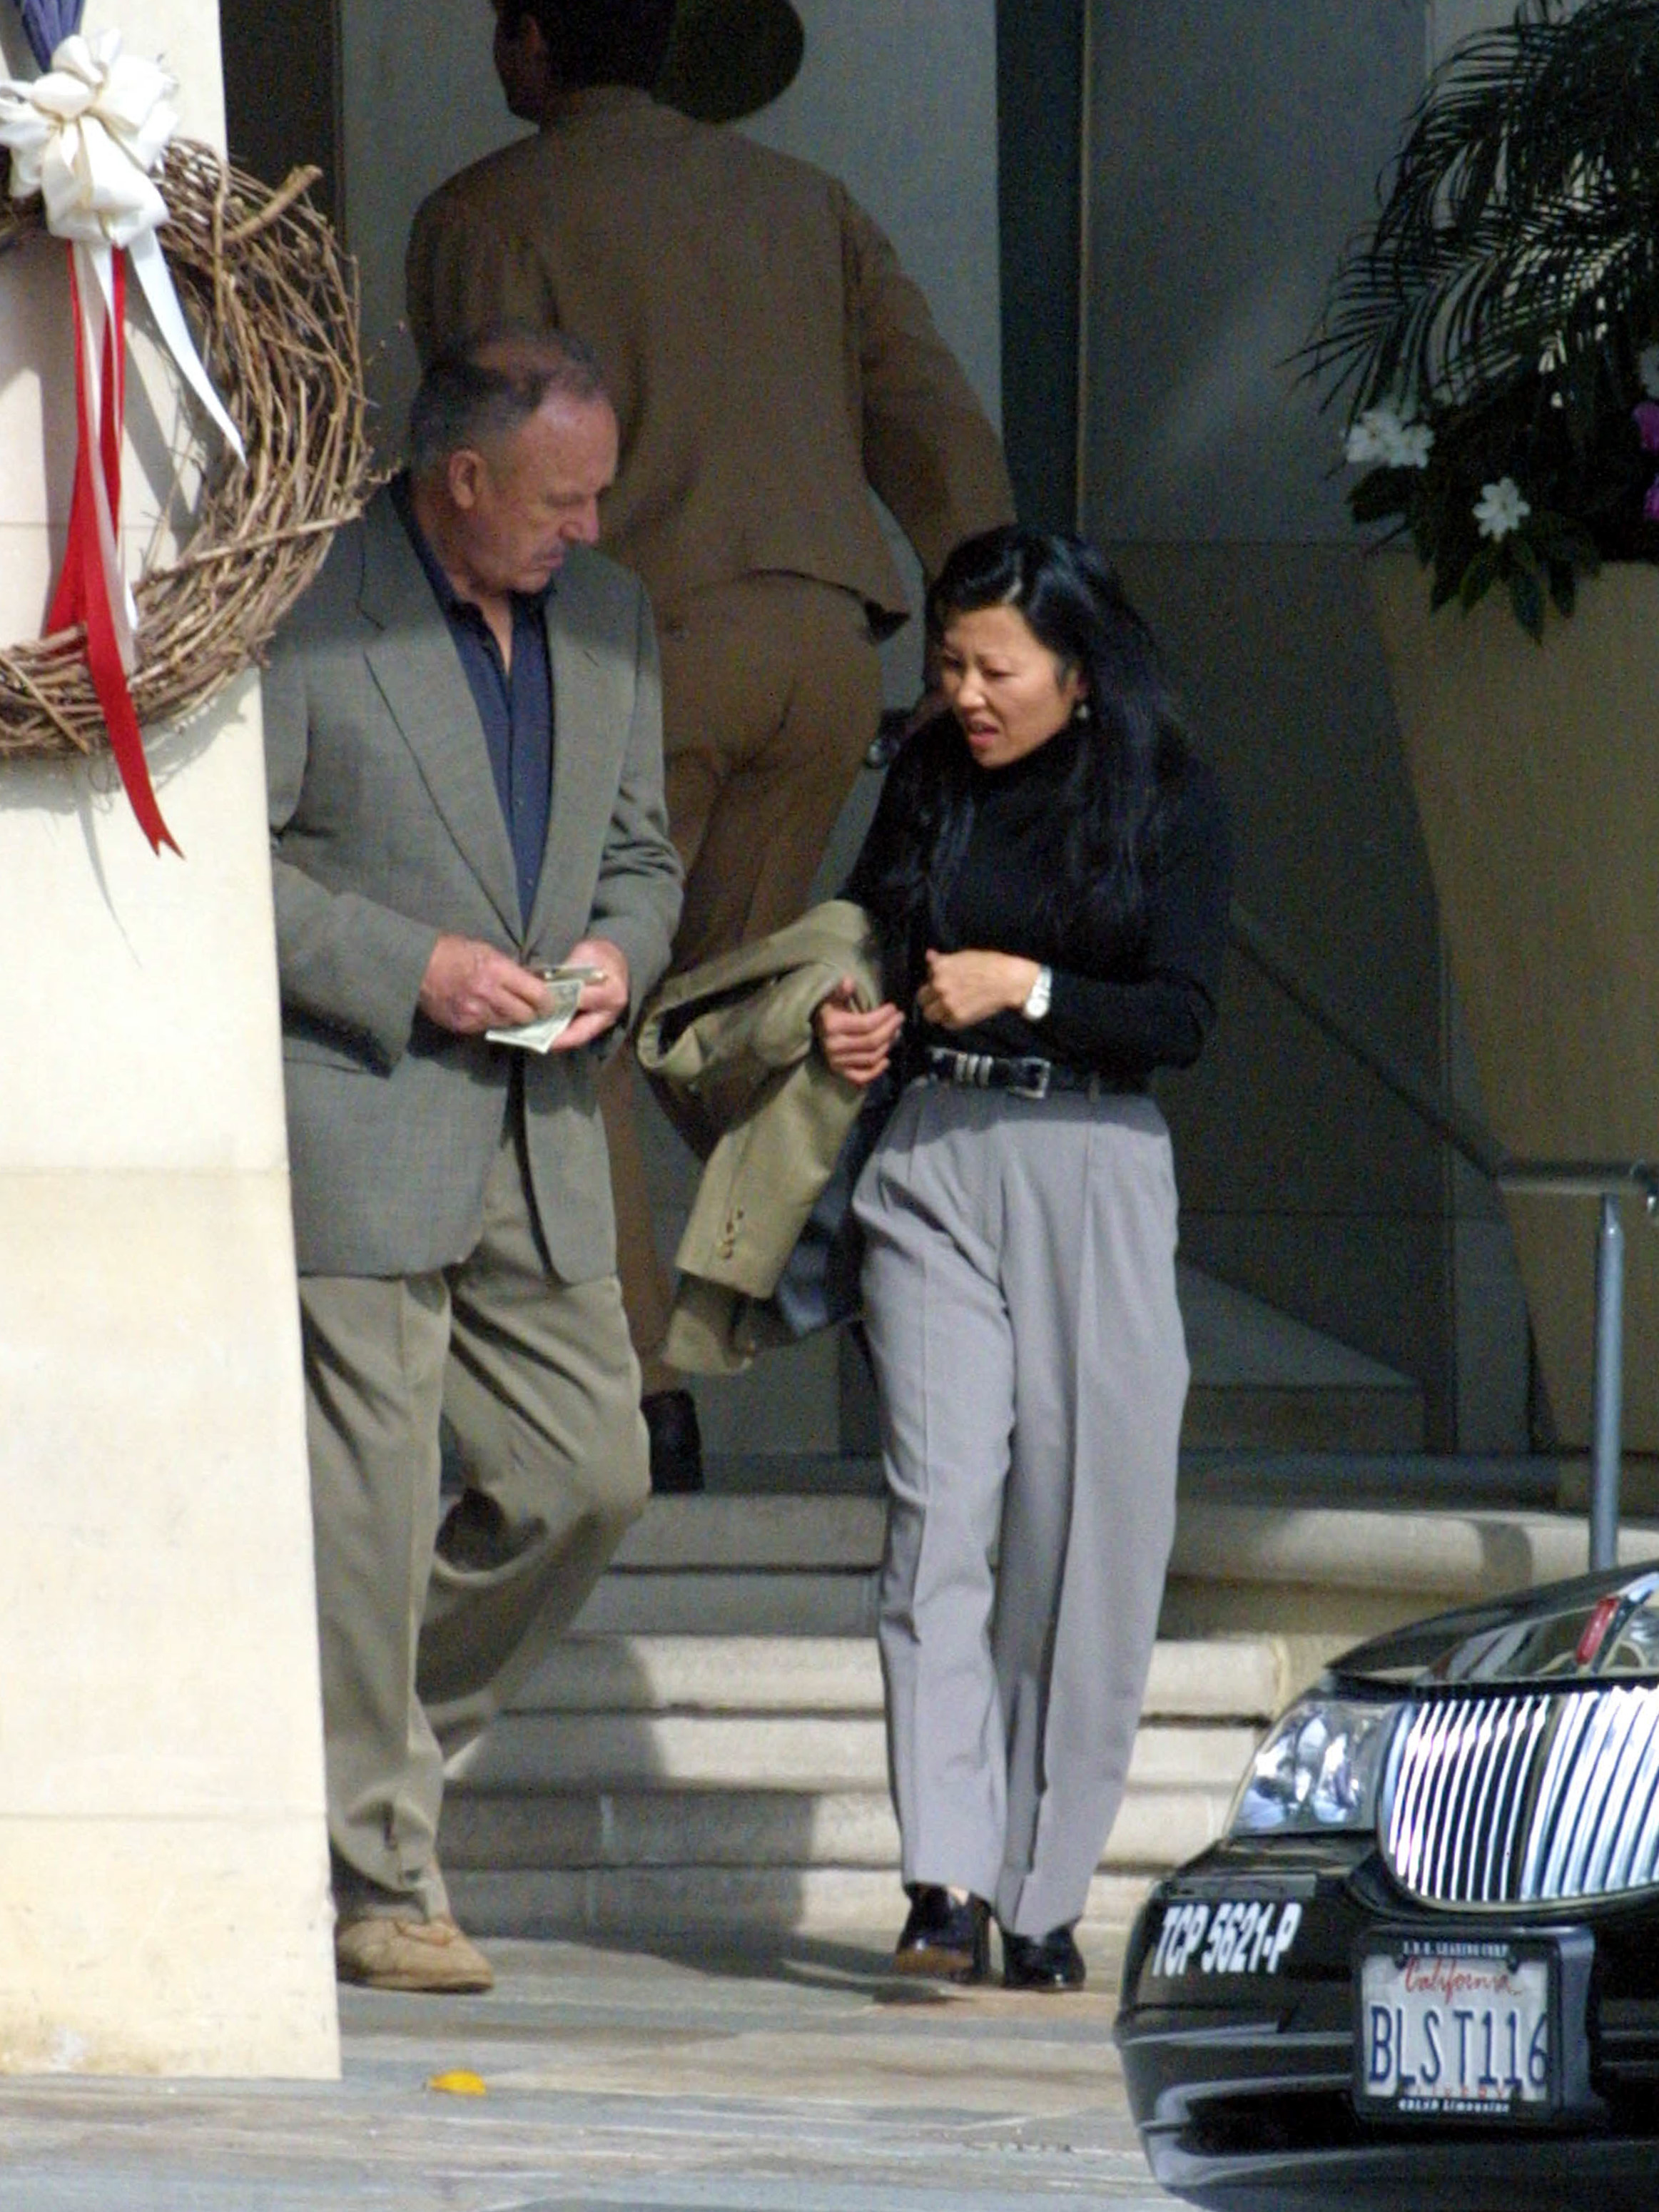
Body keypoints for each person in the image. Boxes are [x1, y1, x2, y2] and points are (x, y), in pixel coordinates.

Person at [405, 0, 1015, 1491]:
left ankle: (637, 1392)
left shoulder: (487, 211)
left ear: (540, 44)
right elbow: (930, 418)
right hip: (818, 648)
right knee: (729, 1019)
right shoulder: (805, 203)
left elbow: (480, 461)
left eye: (504, 24)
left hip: (633, 651)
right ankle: (931, 1302)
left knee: (580, 1017)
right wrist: (980, 620)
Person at [263, 330, 682, 1993]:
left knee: (593, 1470)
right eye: (560, 499)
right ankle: (377, 1874)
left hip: (544, 1122)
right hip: (363, 1102)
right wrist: (410, 964)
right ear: (461, 479)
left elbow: (643, 857)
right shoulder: (307, 593)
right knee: (364, 1516)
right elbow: (221, 864)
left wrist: (618, 956)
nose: (587, 528)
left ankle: (324, 1749)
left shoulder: (613, 615)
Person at [816, 527, 1234, 1991]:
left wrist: (1031, 985)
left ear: (1076, 667)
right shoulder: (927, 775)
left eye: (995, 667)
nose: (966, 692)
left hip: (1095, 1170)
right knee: (938, 1519)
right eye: (946, 663)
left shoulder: (1164, 792)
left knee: (1087, 1539)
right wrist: (853, 1016)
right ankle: (941, 1876)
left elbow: (1175, 1014)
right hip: (931, 1154)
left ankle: (1039, 1890)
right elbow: (866, 933)